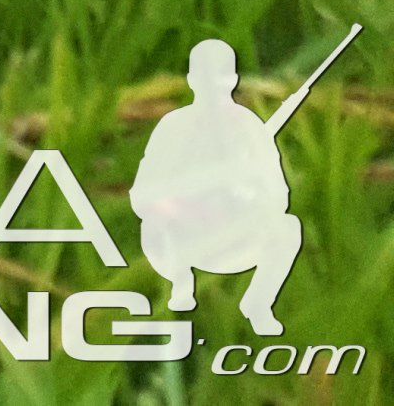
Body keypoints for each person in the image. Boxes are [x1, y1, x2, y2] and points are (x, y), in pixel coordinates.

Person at [130, 36, 306, 335]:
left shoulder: (250, 129)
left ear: (234, 79)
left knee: (288, 228)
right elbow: (143, 194)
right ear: (191, 79)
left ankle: (258, 304)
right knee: (155, 224)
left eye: (222, 76)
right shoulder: (173, 127)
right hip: (180, 235)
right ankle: (180, 285)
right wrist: (185, 208)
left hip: (236, 234)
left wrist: (246, 195)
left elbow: (279, 195)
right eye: (205, 76)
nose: (214, 86)